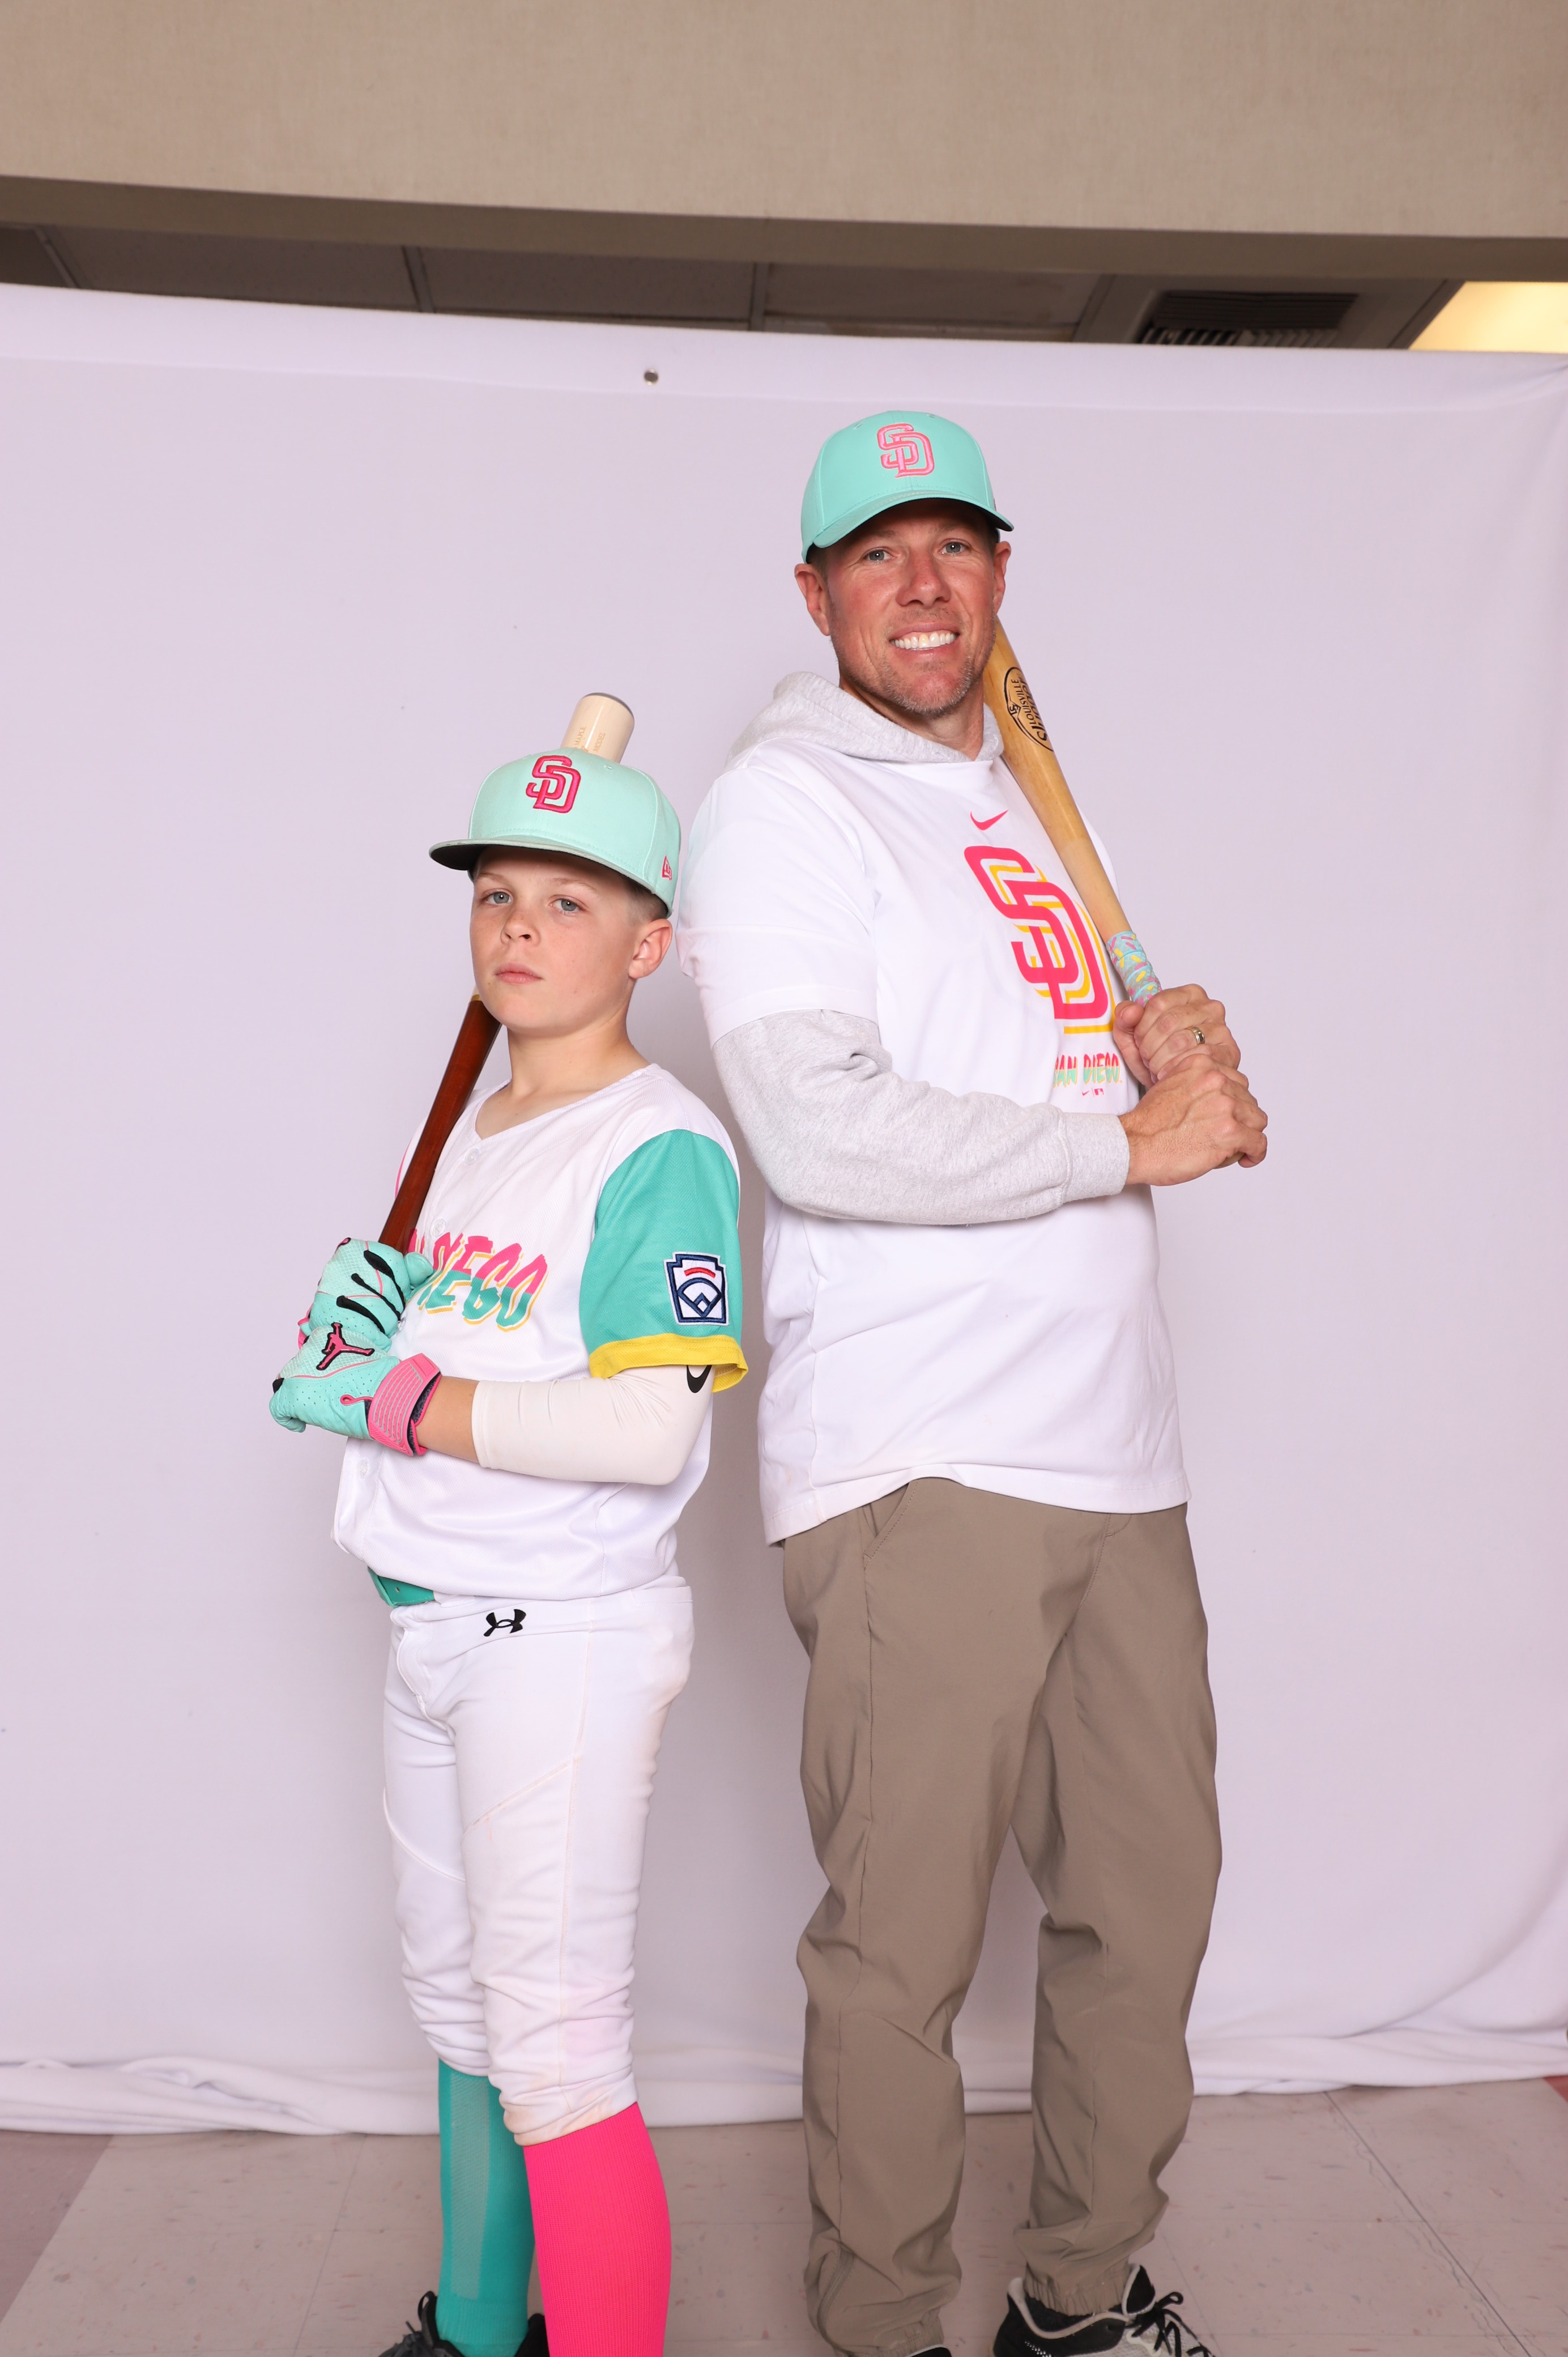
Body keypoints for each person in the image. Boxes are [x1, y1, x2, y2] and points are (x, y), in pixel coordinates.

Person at [676, 411, 1268, 2357]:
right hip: (923, 1455)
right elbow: (816, 1125)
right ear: (817, 594)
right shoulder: (784, 806)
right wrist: (1124, 1142)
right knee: (903, 1951)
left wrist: (1157, 1044)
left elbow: (1049, 1064)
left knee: (1146, 1913)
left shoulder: (1014, 801)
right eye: (879, 553)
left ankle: (1078, 2301)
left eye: (955, 545)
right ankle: (880, 2329)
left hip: (1119, 1458)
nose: (922, 586)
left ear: (1002, 574)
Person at [271, 746, 747, 2357]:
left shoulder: (656, 1147)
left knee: (556, 2050)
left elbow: (648, 1429)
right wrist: (377, 1328)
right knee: (463, 2016)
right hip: (434, 1623)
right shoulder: (485, 1126)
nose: (519, 927)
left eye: (568, 900)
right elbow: (492, 1355)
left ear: (650, 942)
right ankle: (479, 2333)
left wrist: (404, 1397)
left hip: (561, 1637)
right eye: (495, 895)